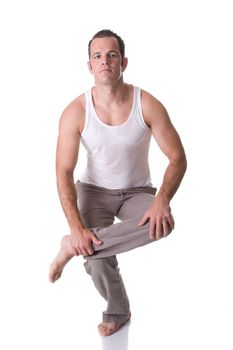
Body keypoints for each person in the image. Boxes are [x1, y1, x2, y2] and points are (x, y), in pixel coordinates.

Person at [49, 29, 187, 336]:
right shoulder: (76, 112)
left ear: (123, 62)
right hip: (94, 191)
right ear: (89, 65)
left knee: (161, 222)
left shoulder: (147, 104)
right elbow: (63, 172)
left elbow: (178, 157)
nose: (104, 61)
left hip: (137, 191)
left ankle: (73, 247)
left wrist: (162, 199)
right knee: (96, 258)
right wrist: (76, 227)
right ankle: (118, 309)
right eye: (97, 56)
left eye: (111, 55)